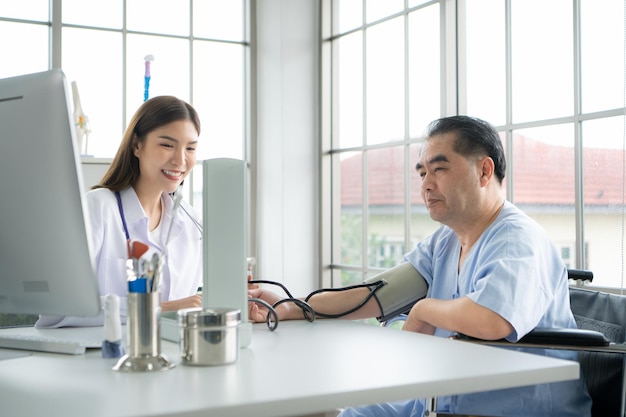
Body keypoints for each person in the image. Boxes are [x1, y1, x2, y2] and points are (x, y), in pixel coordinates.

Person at [248, 115, 592, 417]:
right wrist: (289, 306)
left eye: (440, 169)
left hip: (513, 408)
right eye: (423, 172)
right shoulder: (446, 240)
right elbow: (375, 295)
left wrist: (425, 309)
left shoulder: (519, 239)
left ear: (484, 171)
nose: (427, 184)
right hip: (439, 398)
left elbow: (492, 319)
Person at [36, 96, 203, 328]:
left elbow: (194, 302)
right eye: (167, 145)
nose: (180, 160)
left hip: (171, 356)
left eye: (191, 148)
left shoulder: (191, 221)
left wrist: (250, 302)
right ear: (137, 145)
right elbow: (56, 307)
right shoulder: (99, 207)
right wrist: (159, 309)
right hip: (93, 357)